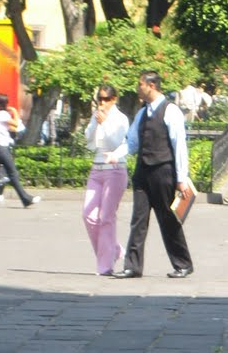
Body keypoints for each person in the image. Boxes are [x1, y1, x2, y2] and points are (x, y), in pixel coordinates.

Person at [115, 71, 194, 280]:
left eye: (140, 84)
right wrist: (115, 155)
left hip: (163, 171)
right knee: (138, 219)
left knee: (167, 218)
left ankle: (183, 263)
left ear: (151, 85)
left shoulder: (170, 111)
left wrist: (181, 178)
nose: (137, 88)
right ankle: (133, 266)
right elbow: (132, 142)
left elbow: (179, 146)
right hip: (143, 171)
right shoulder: (142, 113)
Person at [82, 83, 129, 276]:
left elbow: (117, 143)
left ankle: (105, 265)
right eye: (100, 99)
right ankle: (114, 250)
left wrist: (106, 123)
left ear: (114, 99)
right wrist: (95, 123)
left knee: (106, 217)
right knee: (89, 216)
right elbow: (90, 143)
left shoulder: (120, 119)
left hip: (115, 169)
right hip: (97, 168)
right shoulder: (97, 116)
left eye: (106, 99)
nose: (102, 103)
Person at [0, 94, 40, 209]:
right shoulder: (2, 114)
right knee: (13, 173)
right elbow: (16, 124)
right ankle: (25, 198)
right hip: (1, 147)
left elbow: (11, 128)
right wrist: (15, 112)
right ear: (5, 103)